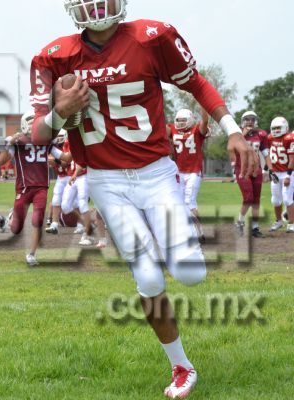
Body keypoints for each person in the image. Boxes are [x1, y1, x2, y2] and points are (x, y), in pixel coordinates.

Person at [29, 1, 257, 398]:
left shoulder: (151, 37)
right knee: (148, 278)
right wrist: (58, 113)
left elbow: (195, 83)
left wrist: (233, 130)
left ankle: (170, 234)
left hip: (155, 173)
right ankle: (182, 366)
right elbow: (38, 134)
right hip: (105, 179)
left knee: (190, 273)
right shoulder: (56, 56)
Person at [0, 110, 55, 266]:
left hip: (41, 187)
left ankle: (32, 254)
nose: (32, 126)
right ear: (24, 125)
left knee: (38, 219)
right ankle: (12, 216)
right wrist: (9, 143)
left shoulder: (46, 140)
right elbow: (1, 162)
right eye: (30, 123)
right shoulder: (18, 141)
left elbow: (63, 157)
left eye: (34, 123)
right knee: (16, 229)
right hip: (23, 188)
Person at [167, 108, 210, 241]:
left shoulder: (196, 129)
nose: (180, 123)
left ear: (190, 120)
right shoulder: (171, 128)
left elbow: (205, 121)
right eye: (178, 120)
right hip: (179, 172)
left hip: (193, 172)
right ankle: (192, 232)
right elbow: (159, 131)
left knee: (189, 202)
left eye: (183, 120)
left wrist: (204, 105)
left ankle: (197, 232)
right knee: (179, 203)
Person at [232, 111, 268, 237]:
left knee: (256, 200)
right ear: (243, 121)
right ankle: (240, 222)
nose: (250, 121)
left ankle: (255, 228)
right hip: (242, 169)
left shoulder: (261, 134)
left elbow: (265, 153)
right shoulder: (236, 134)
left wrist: (269, 169)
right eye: (247, 119)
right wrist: (243, 135)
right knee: (248, 198)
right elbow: (233, 149)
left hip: (256, 170)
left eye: (252, 119)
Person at [266, 117, 294, 233]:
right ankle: (278, 222)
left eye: (278, 128)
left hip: (287, 172)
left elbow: (292, 159)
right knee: (275, 200)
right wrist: (269, 170)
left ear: (285, 127)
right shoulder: (270, 138)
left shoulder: (289, 138)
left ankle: (291, 224)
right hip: (276, 173)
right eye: (274, 128)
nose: (276, 130)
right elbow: (267, 155)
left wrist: (288, 175)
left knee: (287, 199)